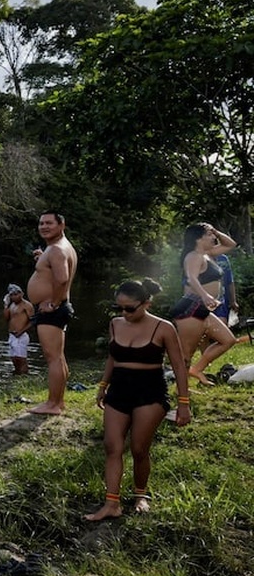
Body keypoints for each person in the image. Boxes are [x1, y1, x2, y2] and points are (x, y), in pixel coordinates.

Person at [85, 279, 191, 521]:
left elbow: (178, 367)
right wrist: (103, 385)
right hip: (119, 389)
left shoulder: (163, 328)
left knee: (139, 448)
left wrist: (183, 403)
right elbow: (113, 357)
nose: (124, 313)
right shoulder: (115, 324)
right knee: (112, 446)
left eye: (129, 308)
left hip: (149, 391)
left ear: (146, 303)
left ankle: (140, 495)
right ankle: (112, 504)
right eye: (118, 308)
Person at [171, 222, 238, 385]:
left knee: (228, 340)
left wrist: (214, 230)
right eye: (209, 235)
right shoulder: (193, 256)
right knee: (186, 355)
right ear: (198, 239)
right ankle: (182, 393)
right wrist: (206, 295)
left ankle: (197, 369)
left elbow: (231, 244)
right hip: (191, 309)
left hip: (202, 309)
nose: (214, 237)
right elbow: (192, 278)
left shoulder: (208, 254)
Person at [27, 210, 78, 414]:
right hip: (56, 309)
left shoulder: (56, 249)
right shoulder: (56, 248)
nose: (44, 227)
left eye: (49, 223)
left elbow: (62, 278)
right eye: (41, 223)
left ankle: (53, 404)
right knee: (59, 357)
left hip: (53, 310)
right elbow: (53, 271)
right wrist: (42, 259)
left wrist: (53, 303)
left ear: (61, 225)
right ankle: (59, 401)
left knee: (53, 358)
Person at [3, 284, 34, 375]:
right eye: (12, 295)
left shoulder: (26, 305)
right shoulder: (11, 305)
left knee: (21, 358)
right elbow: (6, 318)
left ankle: (24, 375)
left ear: (21, 294)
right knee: (14, 358)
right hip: (12, 335)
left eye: (16, 294)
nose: (14, 297)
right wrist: (5, 305)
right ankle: (17, 374)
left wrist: (21, 332)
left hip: (21, 335)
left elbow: (32, 321)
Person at [214, 252, 240, 326]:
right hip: (207, 300)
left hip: (223, 300)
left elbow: (230, 281)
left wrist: (233, 301)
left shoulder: (223, 259)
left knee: (222, 325)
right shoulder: (199, 258)